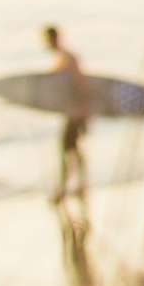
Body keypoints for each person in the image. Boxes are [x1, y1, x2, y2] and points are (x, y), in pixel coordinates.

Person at [45, 24, 93, 201]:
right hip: (72, 112)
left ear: (53, 39)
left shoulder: (67, 58)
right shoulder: (62, 58)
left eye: (47, 39)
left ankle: (66, 189)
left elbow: (81, 86)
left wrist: (85, 114)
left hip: (76, 113)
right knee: (73, 149)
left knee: (66, 149)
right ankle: (80, 185)